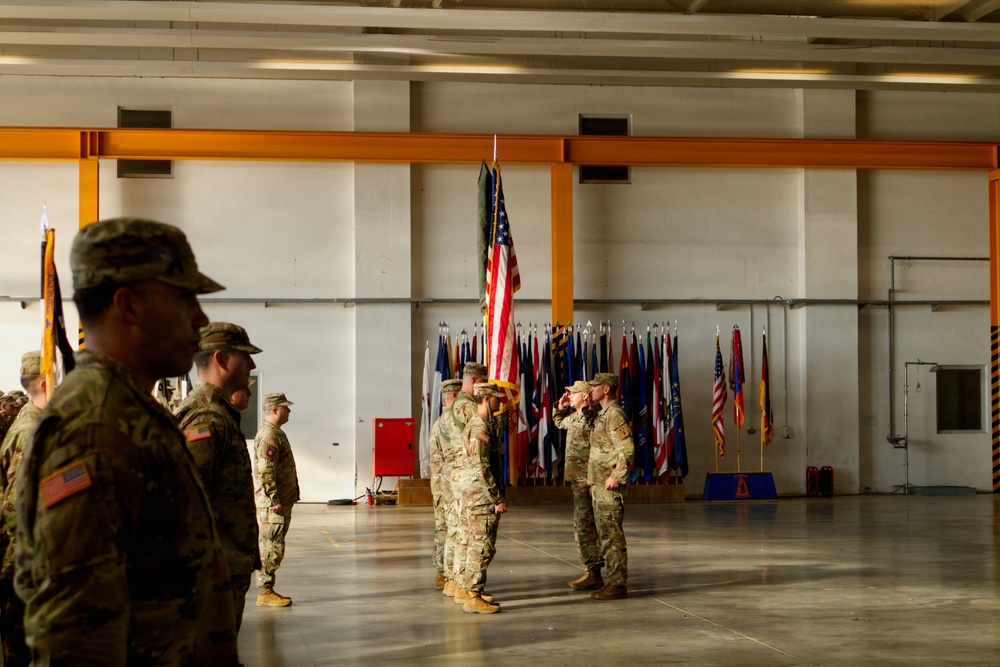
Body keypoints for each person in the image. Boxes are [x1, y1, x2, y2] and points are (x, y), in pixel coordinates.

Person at [15, 217, 239, 665]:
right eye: (184, 298)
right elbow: (77, 637)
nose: (201, 317)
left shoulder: (130, 410)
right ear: (129, 305)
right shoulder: (94, 429)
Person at [175, 322, 262, 632]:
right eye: (245, 356)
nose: (252, 365)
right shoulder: (207, 416)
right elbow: (188, 500)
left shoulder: (220, 412)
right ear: (222, 359)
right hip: (212, 569)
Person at [0, 352, 47, 667]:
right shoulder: (30, 430)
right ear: (47, 382)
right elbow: (17, 508)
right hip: (25, 566)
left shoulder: (35, 423)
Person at [456, 382, 507, 614]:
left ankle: (470, 590)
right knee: (482, 547)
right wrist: (496, 498)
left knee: (474, 544)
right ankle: (474, 595)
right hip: (482, 498)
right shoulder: (480, 426)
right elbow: (481, 466)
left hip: (473, 495)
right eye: (497, 398)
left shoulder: (480, 424)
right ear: (487, 399)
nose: (501, 402)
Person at [585, 372, 635, 600]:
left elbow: (627, 448)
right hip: (599, 485)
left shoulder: (614, 414)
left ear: (606, 389)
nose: (590, 390)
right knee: (605, 534)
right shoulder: (601, 414)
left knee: (612, 535)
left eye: (595, 387)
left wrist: (617, 475)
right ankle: (612, 580)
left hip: (609, 486)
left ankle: (617, 583)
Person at [444, 361, 488, 602]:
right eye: (483, 383)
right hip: (468, 475)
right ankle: (466, 587)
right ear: (473, 381)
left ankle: (456, 582)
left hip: (456, 475)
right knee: (470, 536)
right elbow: (477, 444)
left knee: (459, 532)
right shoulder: (469, 408)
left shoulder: (455, 407)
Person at [554, 379, 603, 591]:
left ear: (585, 396)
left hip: (588, 480)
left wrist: (594, 479)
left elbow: (598, 449)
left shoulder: (593, 418)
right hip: (578, 480)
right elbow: (559, 422)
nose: (569, 396)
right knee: (581, 525)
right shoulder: (575, 417)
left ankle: (596, 571)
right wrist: (561, 407)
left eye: (573, 393)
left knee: (589, 526)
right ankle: (591, 569)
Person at [253, 392, 300, 607]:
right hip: (273, 504)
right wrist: (273, 498)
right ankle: (265, 591)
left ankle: (267, 589)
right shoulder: (269, 436)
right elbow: (265, 469)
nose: (289, 411)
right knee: (271, 546)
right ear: (274, 410)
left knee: (275, 545)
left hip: (280, 501)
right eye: (285, 407)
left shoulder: (276, 434)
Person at [429, 378, 462, 590]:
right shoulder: (451, 422)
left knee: (442, 527)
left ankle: (441, 571)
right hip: (450, 483)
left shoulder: (439, 422)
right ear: (457, 396)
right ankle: (448, 573)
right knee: (452, 528)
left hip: (439, 483)